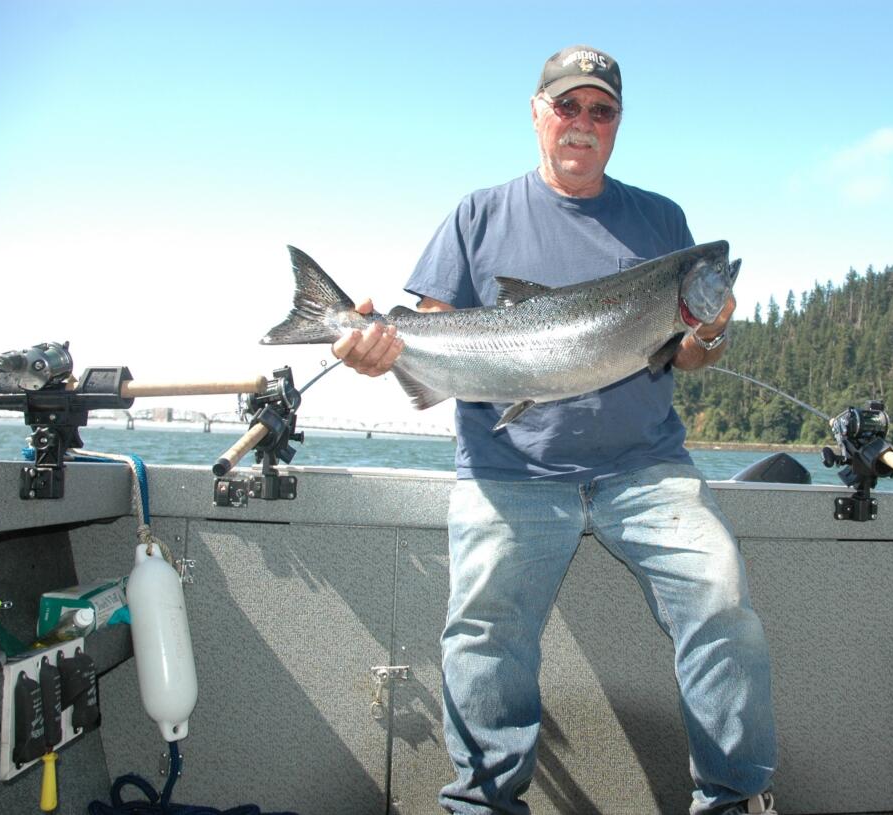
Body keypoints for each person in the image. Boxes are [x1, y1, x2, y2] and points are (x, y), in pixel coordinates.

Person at [333, 44, 777, 815]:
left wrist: (710, 331)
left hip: (646, 469)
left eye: (600, 110)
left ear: (617, 125)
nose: (582, 122)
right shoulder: (479, 213)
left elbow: (688, 353)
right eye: (566, 105)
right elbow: (434, 335)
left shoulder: (661, 220)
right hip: (510, 469)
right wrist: (379, 352)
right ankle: (481, 804)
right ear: (537, 113)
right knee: (482, 633)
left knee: (721, 597)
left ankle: (734, 800)